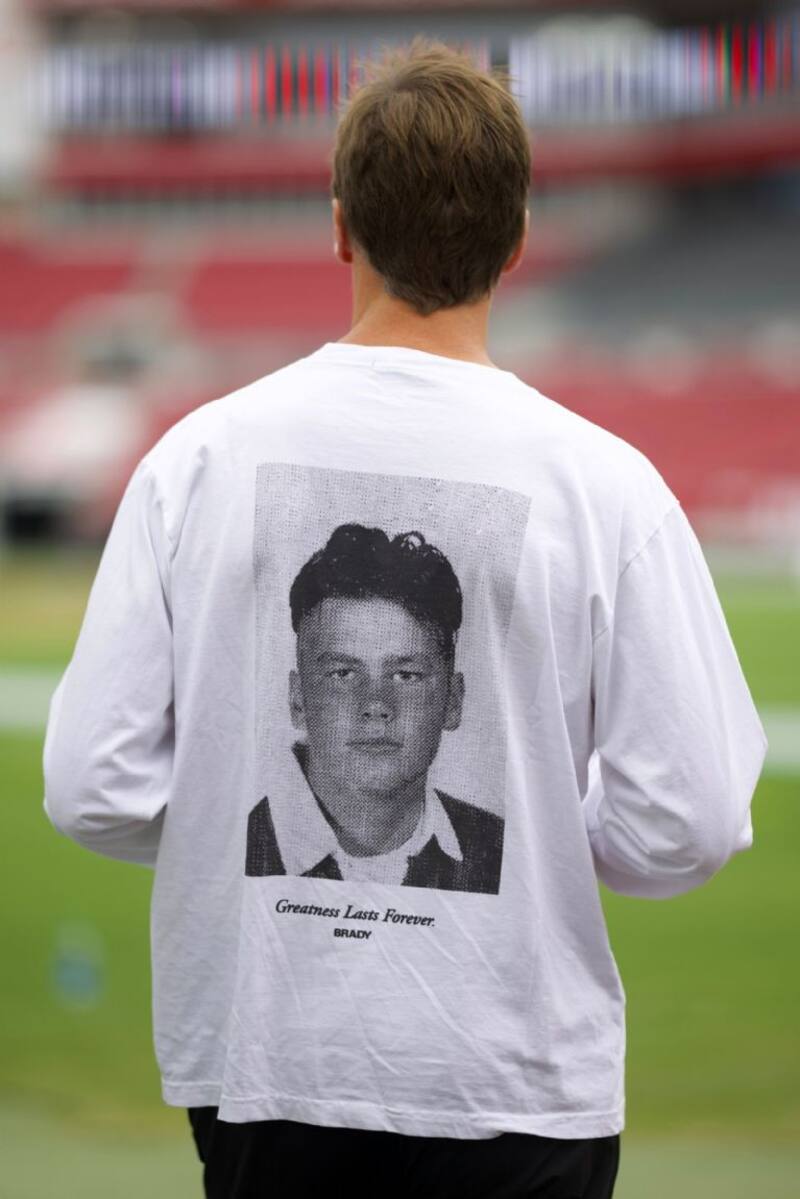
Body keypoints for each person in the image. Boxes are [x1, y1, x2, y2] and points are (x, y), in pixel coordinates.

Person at [43, 37, 766, 1199]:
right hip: (515, 1086)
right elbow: (688, 817)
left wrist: (239, 810)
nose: (375, 703)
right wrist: (538, 825)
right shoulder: (606, 485)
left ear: (340, 226)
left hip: (265, 1072)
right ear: (516, 240)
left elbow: (93, 784)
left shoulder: (195, 460)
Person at [245, 522, 504, 892]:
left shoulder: (498, 852)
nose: (376, 705)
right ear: (298, 699)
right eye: (343, 673)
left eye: (406, 675)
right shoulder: (236, 843)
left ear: (453, 700)